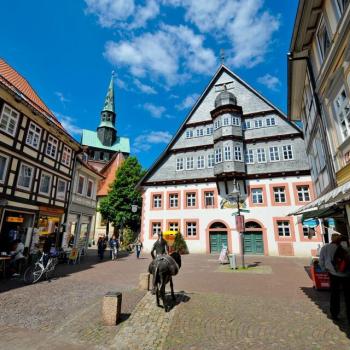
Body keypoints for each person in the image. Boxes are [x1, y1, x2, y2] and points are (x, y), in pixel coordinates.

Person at [319, 233, 350, 321]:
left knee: (334, 294)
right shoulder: (347, 247)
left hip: (333, 274)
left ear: (332, 239)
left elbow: (321, 260)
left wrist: (325, 269)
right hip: (347, 274)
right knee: (347, 295)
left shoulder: (326, 247)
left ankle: (335, 314)